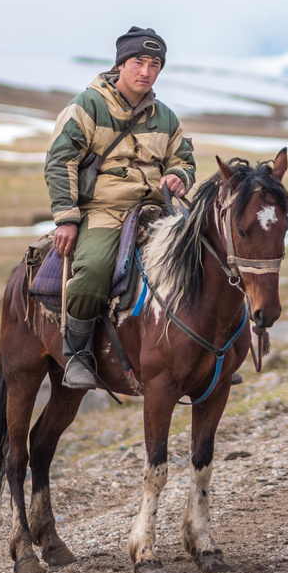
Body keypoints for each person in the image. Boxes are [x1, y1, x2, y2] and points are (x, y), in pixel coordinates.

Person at [45, 26, 195, 389]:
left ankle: (212, 350)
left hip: (158, 210)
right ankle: (78, 355)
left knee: (206, 254)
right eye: (138, 62)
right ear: (121, 64)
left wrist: (177, 175)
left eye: (154, 64)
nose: (146, 71)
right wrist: (66, 219)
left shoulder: (167, 117)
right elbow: (59, 162)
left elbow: (184, 159)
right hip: (104, 209)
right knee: (94, 269)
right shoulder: (86, 106)